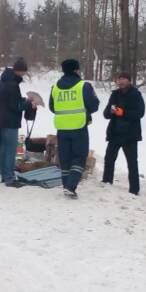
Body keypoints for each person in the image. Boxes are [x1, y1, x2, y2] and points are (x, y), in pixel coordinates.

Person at [49, 58, 99, 198]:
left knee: (65, 158)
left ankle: (66, 186)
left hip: (62, 128)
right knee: (79, 157)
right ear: (77, 70)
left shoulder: (55, 87)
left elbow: (52, 107)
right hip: (79, 127)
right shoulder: (83, 86)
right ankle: (70, 187)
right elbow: (94, 105)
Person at [0, 58, 31, 184]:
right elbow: (15, 105)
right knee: (10, 150)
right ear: (20, 71)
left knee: (4, 148)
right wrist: (28, 103)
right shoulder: (12, 85)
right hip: (10, 122)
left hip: (0, 120)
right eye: (23, 72)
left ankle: (4, 174)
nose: (24, 75)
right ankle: (9, 177)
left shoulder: (2, 82)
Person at [101, 71, 145, 195]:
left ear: (129, 81)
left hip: (130, 135)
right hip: (115, 132)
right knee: (109, 159)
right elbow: (105, 114)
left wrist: (123, 113)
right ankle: (106, 182)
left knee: (132, 163)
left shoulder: (136, 94)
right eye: (119, 79)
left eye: (123, 79)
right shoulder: (115, 95)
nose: (120, 82)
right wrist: (112, 111)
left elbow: (140, 113)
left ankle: (134, 189)